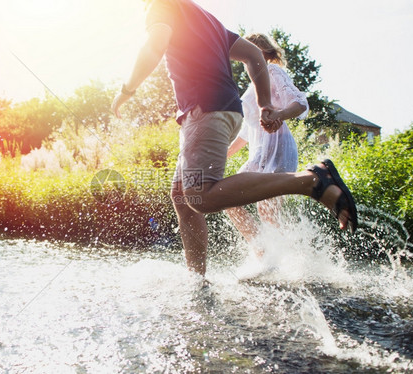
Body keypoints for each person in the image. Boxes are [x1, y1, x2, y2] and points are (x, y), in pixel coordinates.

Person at [111, 0, 357, 276]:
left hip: (204, 110)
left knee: (199, 197)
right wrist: (264, 103)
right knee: (181, 195)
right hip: (223, 111)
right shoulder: (206, 19)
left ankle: (312, 180)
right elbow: (253, 54)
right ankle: (197, 278)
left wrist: (127, 90)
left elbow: (155, 46)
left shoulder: (162, 6)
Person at [225, 33, 309, 251]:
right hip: (258, 154)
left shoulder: (272, 71)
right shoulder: (253, 86)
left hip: (278, 148)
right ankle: (265, 252)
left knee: (268, 210)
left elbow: (299, 103)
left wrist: (279, 114)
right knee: (228, 199)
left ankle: (281, 258)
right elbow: (245, 133)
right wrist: (222, 154)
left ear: (257, 51)